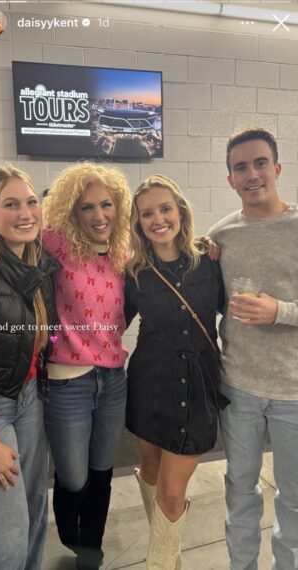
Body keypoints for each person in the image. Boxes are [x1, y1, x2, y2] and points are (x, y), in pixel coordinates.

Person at [124, 174, 229, 569]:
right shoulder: (133, 273)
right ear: (138, 222)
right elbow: (107, 323)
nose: (158, 219)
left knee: (171, 493)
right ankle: (169, 557)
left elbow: (236, 315)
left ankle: (160, 564)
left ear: (180, 211)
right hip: (149, 385)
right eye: (147, 213)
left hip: (199, 387)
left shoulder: (210, 262)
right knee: (150, 471)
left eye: (165, 208)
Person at [208, 127, 298, 570]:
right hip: (238, 387)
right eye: (240, 167)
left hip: (293, 392)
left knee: (294, 501)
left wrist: (278, 310)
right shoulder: (221, 236)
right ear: (230, 179)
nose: (252, 174)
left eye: (260, 163)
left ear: (277, 168)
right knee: (239, 491)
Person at [41, 162, 131, 569]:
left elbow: (172, 243)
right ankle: (69, 533)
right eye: (87, 207)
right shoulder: (56, 245)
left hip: (113, 378)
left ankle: (91, 547)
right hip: (67, 382)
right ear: (71, 213)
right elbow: (1, 235)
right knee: (73, 476)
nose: (99, 216)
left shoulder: (123, 253)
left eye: (106, 205)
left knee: (102, 470)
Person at [0, 165, 60, 570]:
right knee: (3, 533)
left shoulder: (38, 264)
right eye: (10, 205)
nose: (25, 213)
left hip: (28, 400)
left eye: (30, 202)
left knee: (34, 508)